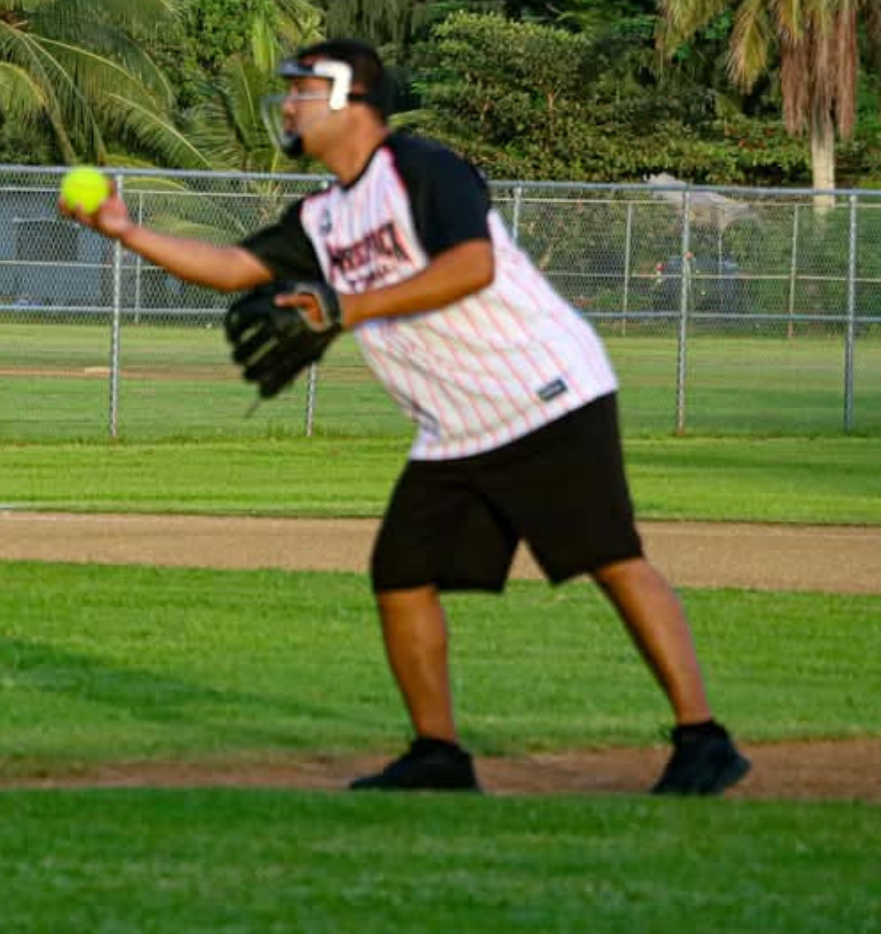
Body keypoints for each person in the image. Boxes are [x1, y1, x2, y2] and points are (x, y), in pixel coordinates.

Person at [58, 39, 749, 797]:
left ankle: (702, 737)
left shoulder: (423, 169)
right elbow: (234, 267)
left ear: (351, 96)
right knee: (401, 574)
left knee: (610, 556)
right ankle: (438, 754)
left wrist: (347, 306)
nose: (287, 104)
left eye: (301, 90)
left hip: (544, 393)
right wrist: (126, 232)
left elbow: (471, 266)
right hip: (454, 426)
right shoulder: (322, 217)